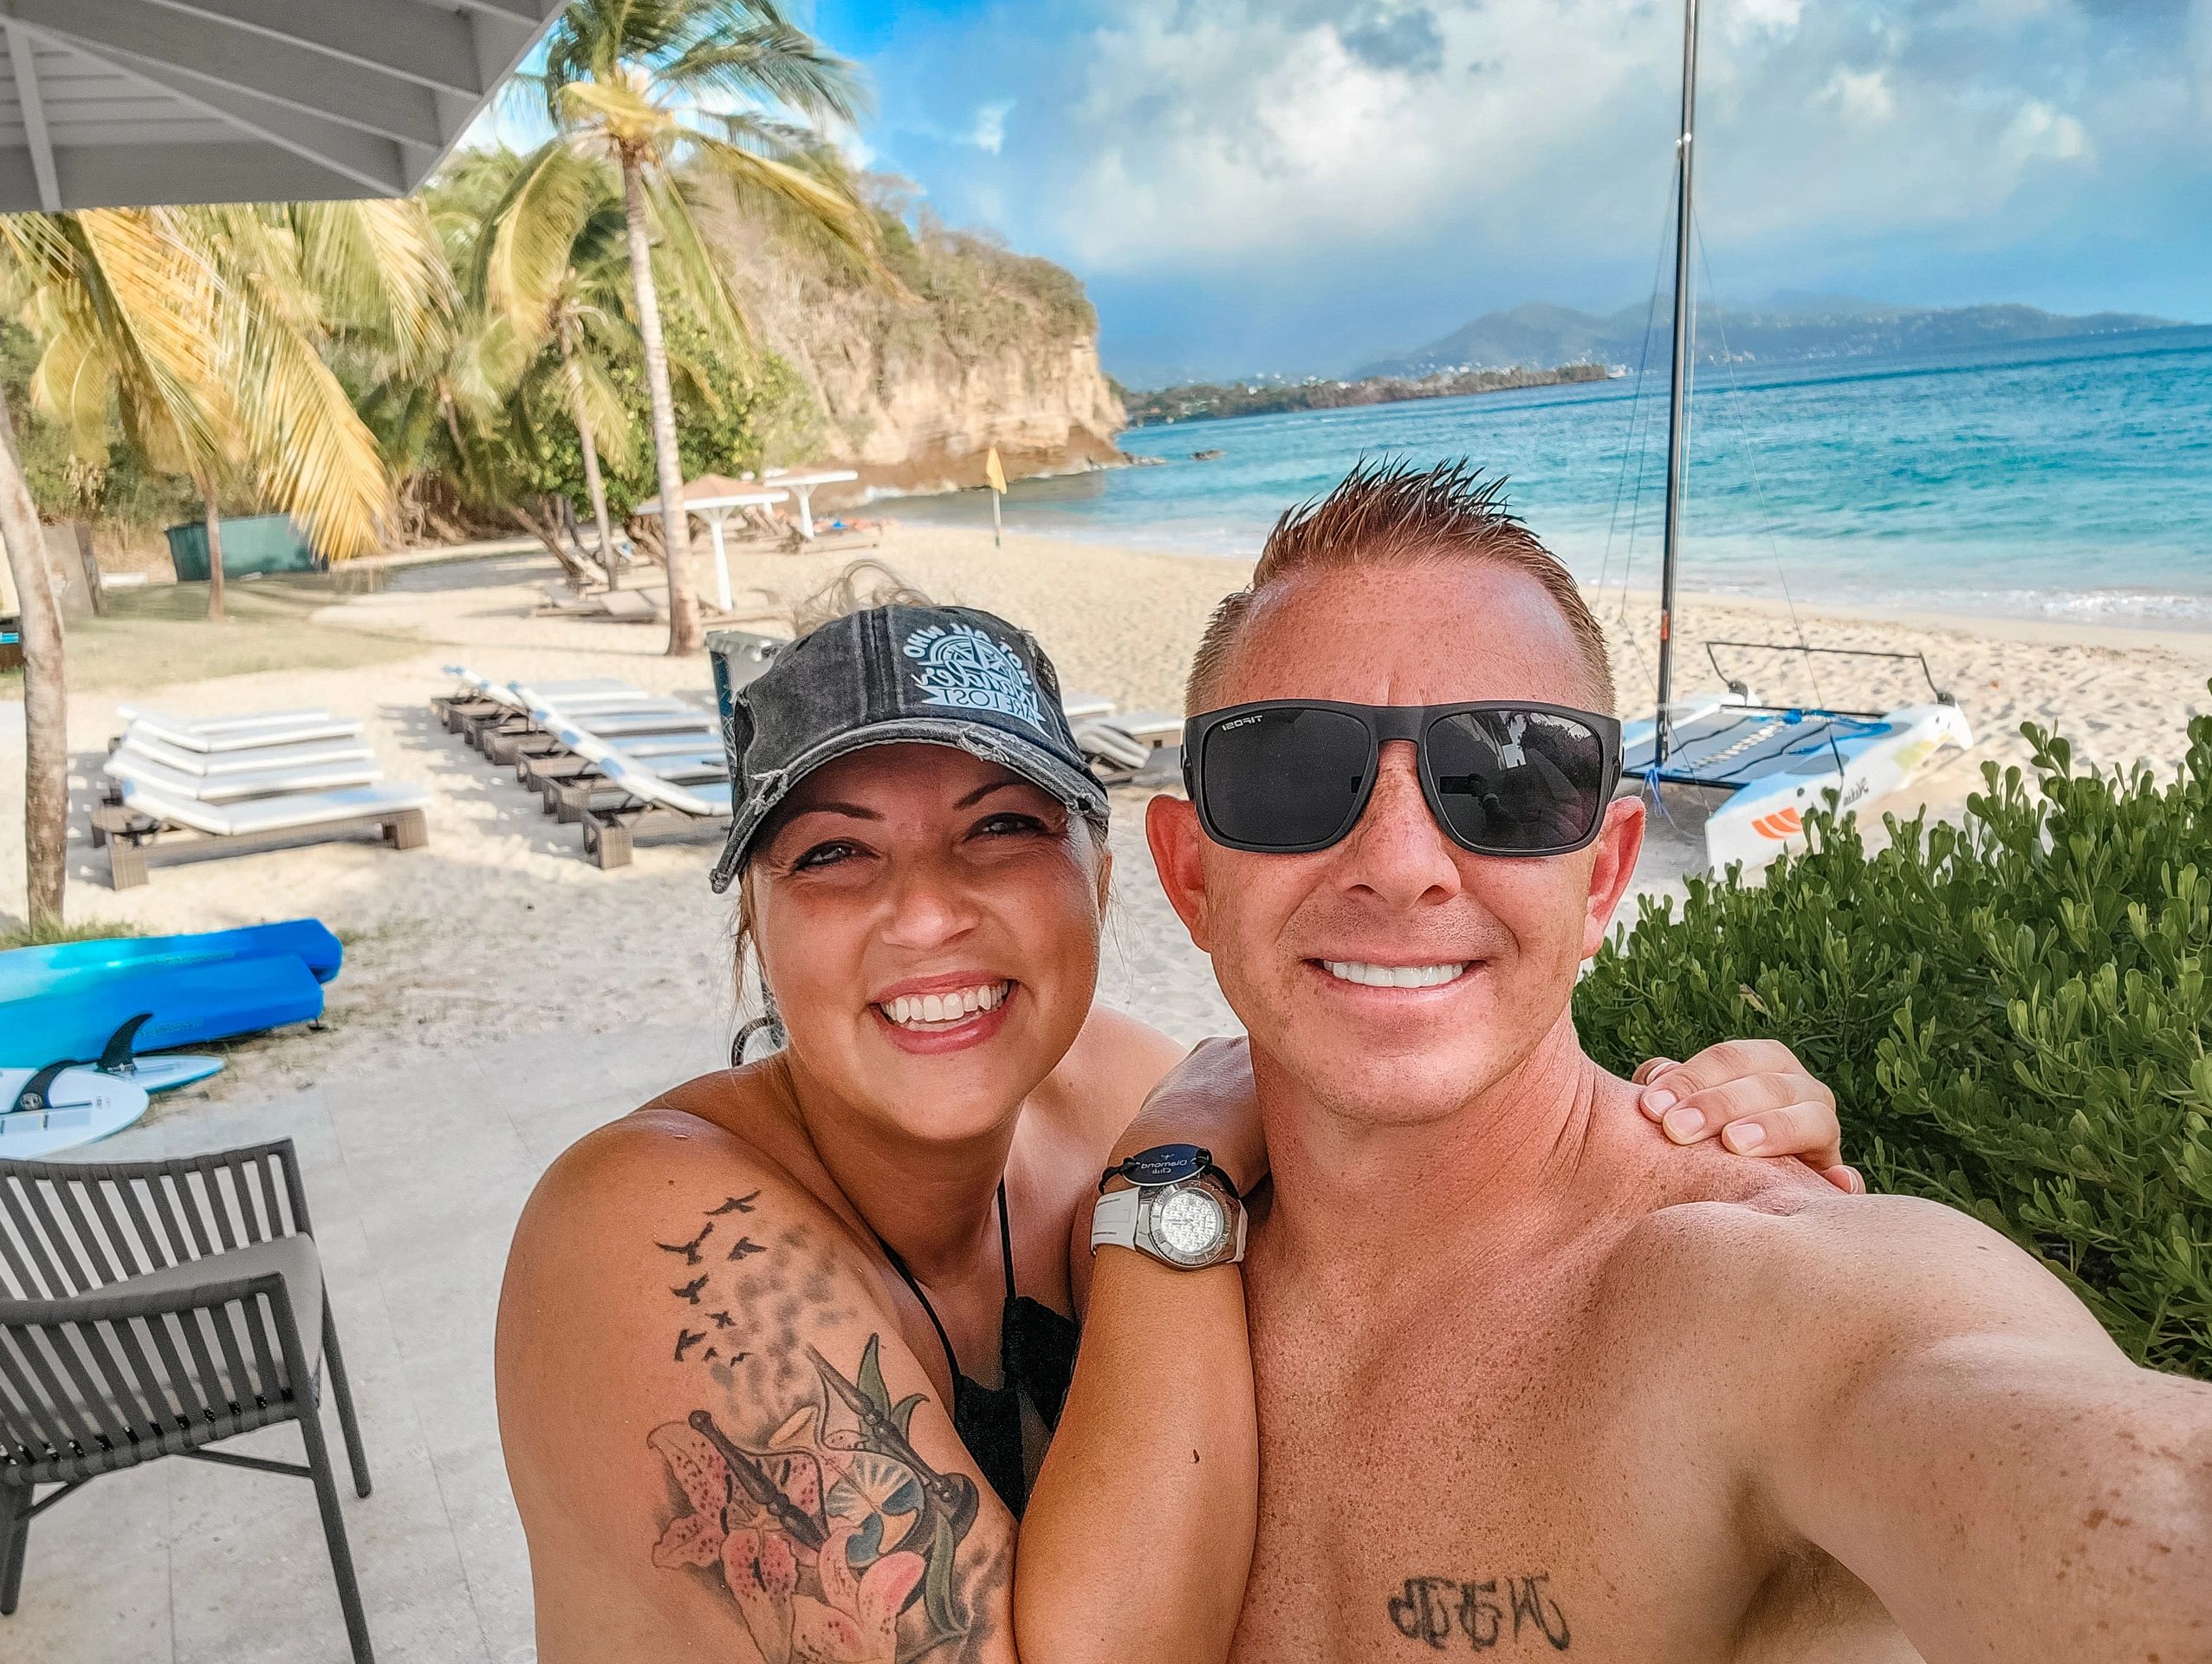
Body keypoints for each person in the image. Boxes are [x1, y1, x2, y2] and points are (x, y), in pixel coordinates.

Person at [495, 580, 1853, 1663]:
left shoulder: (1121, 1088)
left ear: (1108, 872)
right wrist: (1173, 1179)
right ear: (757, 919)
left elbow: (1449, 1188)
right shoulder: (652, 1238)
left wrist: (1699, 1146)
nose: (925, 913)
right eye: (835, 853)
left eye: (998, 830)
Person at [1128, 458, 2212, 1661]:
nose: (1401, 863)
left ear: (1599, 877)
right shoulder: (1144, 1236)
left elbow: (2123, 1482)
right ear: (1188, 875)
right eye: (1288, 774)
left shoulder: (1750, 1298)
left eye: (1505, 780)